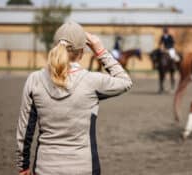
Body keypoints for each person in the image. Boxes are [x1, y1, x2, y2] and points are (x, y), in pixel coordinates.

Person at [16, 21, 132, 175]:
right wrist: (101, 51)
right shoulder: (92, 81)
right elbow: (125, 81)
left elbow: (25, 130)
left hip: (45, 168)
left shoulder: (34, 80)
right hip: (84, 168)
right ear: (82, 51)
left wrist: (23, 165)